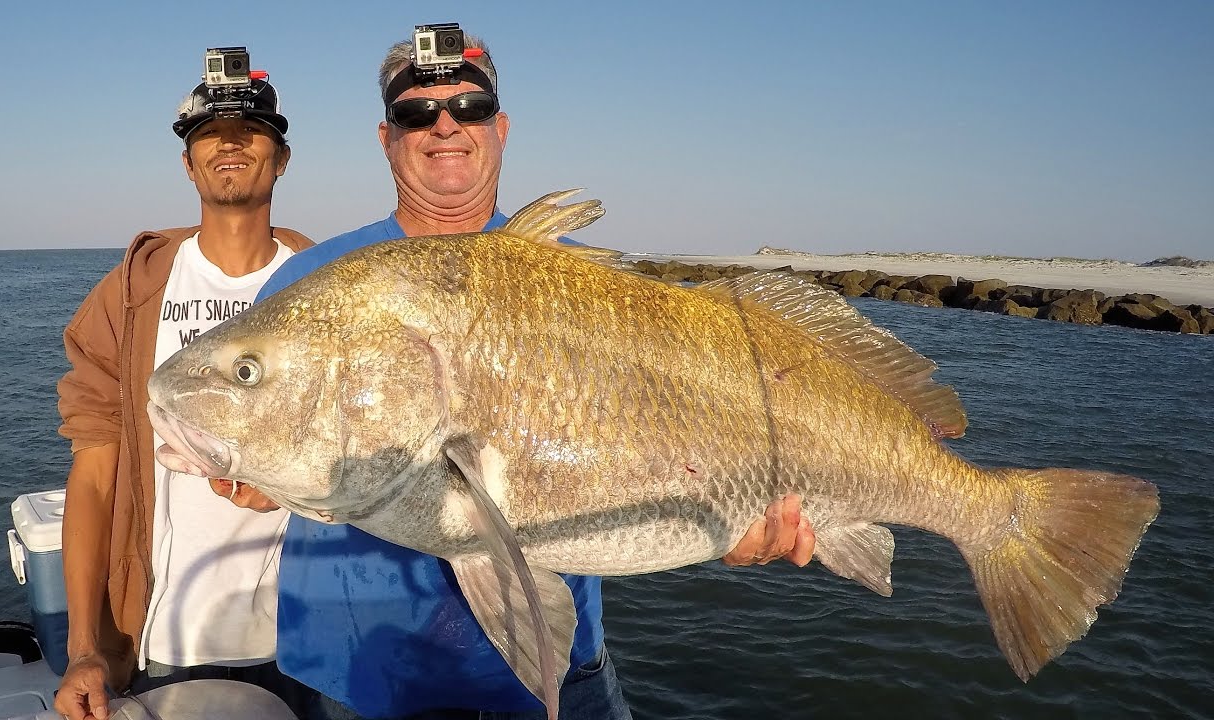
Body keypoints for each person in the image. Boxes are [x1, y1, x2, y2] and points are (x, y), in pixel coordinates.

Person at [240, 28, 816, 720]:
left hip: (556, 678)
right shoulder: (311, 281)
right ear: (387, 136)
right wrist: (252, 469)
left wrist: (729, 517)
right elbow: (269, 447)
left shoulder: (589, 281)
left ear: (501, 127)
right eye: (417, 113)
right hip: (361, 682)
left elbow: (667, 445)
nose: (445, 124)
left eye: (469, 107)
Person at [54, 55, 318, 720]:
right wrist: (85, 647)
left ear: (281, 158)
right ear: (188, 163)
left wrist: (291, 482)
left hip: (313, 640)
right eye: (208, 133)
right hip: (169, 638)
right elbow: (92, 478)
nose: (230, 142)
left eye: (252, 128)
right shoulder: (130, 296)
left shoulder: (325, 287)